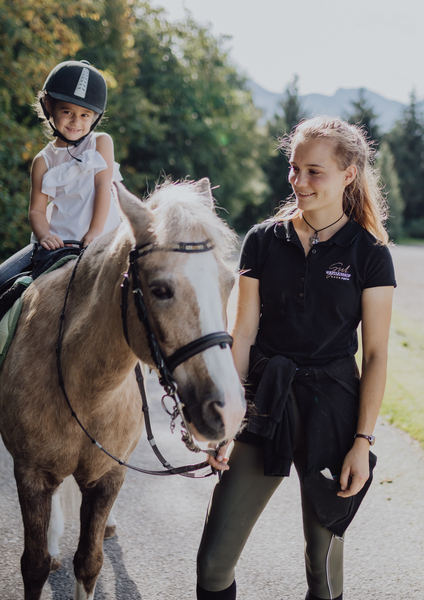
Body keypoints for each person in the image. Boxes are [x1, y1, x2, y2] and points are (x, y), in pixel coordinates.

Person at [196, 116, 396, 600]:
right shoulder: (263, 240)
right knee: (212, 564)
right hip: (267, 399)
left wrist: (361, 443)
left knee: (322, 572)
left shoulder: (370, 254)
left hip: (335, 411)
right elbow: (241, 333)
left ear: (349, 174)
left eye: (314, 171)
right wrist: (227, 419)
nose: (299, 181)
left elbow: (374, 354)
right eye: (294, 169)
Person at [0, 60, 122, 358]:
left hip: (104, 238)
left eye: (85, 114)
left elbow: (103, 188)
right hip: (58, 240)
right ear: (49, 108)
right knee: (0, 275)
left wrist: (95, 233)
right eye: (67, 111)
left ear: (95, 118)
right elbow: (36, 212)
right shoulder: (43, 160)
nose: (75, 121)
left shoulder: (101, 143)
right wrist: (43, 236)